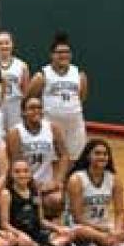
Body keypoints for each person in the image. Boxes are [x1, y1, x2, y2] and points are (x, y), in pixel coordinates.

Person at [0, 159, 75, 246]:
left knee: (68, 234)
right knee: (23, 242)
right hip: (19, 234)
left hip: (36, 232)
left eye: (25, 171)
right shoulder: (6, 194)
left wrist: (58, 228)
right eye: (17, 172)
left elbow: (41, 220)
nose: (22, 175)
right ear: (11, 174)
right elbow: (4, 224)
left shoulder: (35, 192)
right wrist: (20, 234)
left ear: (30, 174)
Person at [28, 32, 88, 162]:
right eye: (59, 52)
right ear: (52, 55)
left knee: (75, 159)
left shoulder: (79, 74)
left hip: (74, 126)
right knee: (52, 159)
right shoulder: (42, 75)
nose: (63, 55)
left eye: (66, 52)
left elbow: (81, 98)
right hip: (50, 125)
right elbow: (29, 98)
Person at [6, 97, 68, 217]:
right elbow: (16, 164)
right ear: (23, 112)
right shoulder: (15, 132)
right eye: (32, 108)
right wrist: (31, 185)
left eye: (39, 107)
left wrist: (57, 181)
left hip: (47, 183)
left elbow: (64, 155)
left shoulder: (53, 128)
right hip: (23, 183)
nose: (36, 111)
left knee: (57, 200)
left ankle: (52, 223)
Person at [0, 31, 29, 133]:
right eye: (0, 43)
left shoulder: (22, 65)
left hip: (15, 104)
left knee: (14, 133)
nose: (4, 46)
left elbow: (26, 91)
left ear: (12, 45)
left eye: (7, 43)